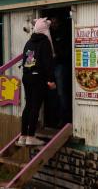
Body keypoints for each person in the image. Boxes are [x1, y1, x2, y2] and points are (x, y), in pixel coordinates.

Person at [16, 18, 56, 146]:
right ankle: (31, 136)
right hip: (38, 78)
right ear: (45, 30)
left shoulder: (29, 42)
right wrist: (50, 80)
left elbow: (27, 60)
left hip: (27, 76)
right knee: (35, 107)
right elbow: (48, 62)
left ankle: (23, 135)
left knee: (28, 106)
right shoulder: (44, 42)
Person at [49, 16, 69, 127]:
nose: (53, 24)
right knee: (51, 94)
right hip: (50, 67)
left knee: (61, 93)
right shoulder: (48, 35)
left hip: (60, 66)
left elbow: (67, 52)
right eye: (52, 22)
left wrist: (58, 54)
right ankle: (52, 120)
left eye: (55, 22)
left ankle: (64, 120)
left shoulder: (64, 34)